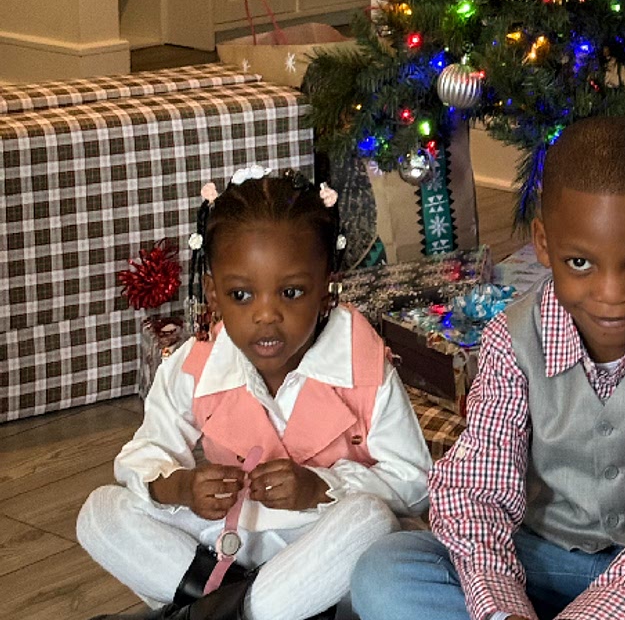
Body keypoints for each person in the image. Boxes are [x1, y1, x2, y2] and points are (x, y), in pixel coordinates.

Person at [351, 117, 625, 620]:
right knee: (383, 571)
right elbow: (479, 490)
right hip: (534, 560)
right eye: (580, 263)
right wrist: (503, 609)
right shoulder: (511, 339)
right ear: (545, 244)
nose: (611, 294)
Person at [78, 166, 431, 620]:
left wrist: (320, 487)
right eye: (242, 295)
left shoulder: (363, 366)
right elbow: (144, 454)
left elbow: (415, 485)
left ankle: (217, 610)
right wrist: (181, 485)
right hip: (225, 545)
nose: (266, 315)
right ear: (213, 294)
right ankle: (254, 608)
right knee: (101, 512)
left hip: (319, 544)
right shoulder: (197, 363)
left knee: (372, 522)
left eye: (291, 291)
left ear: (327, 288)